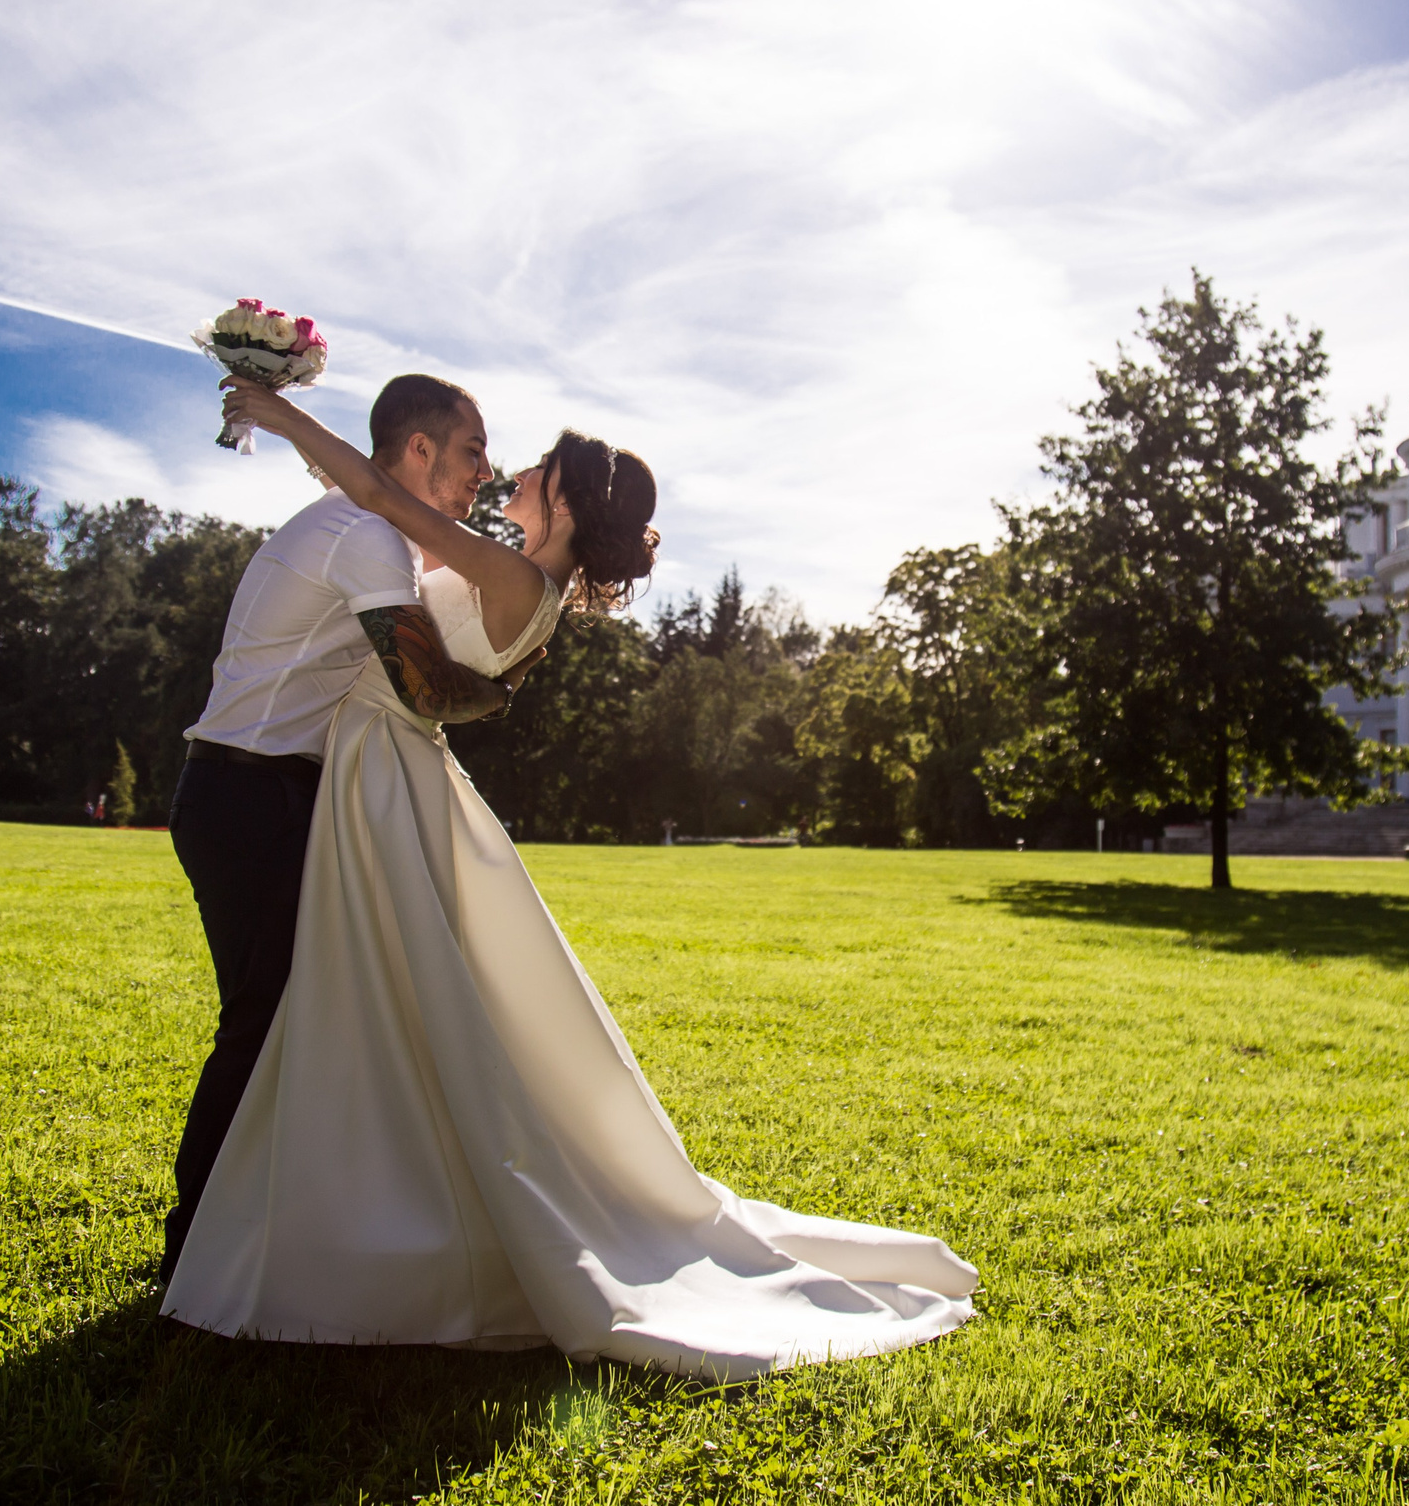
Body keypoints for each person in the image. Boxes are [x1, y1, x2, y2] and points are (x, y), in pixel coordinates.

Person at [166, 377, 976, 1381]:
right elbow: (383, 511)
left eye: (531, 464)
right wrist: (482, 691)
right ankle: (274, 1219)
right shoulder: (503, 571)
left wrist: (286, 417)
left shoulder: (504, 575)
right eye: (477, 450)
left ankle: (271, 1228)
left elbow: (387, 520)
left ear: (566, 502)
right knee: (335, 1014)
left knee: (321, 1014)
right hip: (358, 784)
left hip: (378, 781)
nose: (505, 468)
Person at [160, 373, 540, 1286]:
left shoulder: (362, 522)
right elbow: (421, 689)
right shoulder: (367, 536)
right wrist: (501, 690)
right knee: (264, 1019)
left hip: (260, 794)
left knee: (289, 1016)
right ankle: (193, 1247)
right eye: (472, 450)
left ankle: (249, 1226)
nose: (484, 472)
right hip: (249, 798)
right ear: (419, 449)